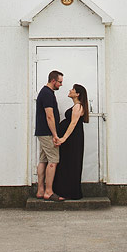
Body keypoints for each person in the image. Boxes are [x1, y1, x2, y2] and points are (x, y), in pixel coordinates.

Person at [52, 83, 88, 201]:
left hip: (73, 140)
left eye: (72, 89)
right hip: (71, 140)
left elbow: (73, 124)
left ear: (77, 94)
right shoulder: (76, 106)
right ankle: (64, 190)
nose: (70, 90)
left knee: (71, 164)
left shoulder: (78, 107)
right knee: (66, 163)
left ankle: (70, 192)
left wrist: (63, 138)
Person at [34, 70, 63, 200]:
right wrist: (55, 135)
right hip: (47, 133)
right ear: (53, 81)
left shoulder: (46, 92)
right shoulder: (47, 94)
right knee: (53, 160)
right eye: (60, 82)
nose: (61, 85)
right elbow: (49, 116)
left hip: (43, 132)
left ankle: (40, 191)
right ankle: (48, 192)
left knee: (43, 160)